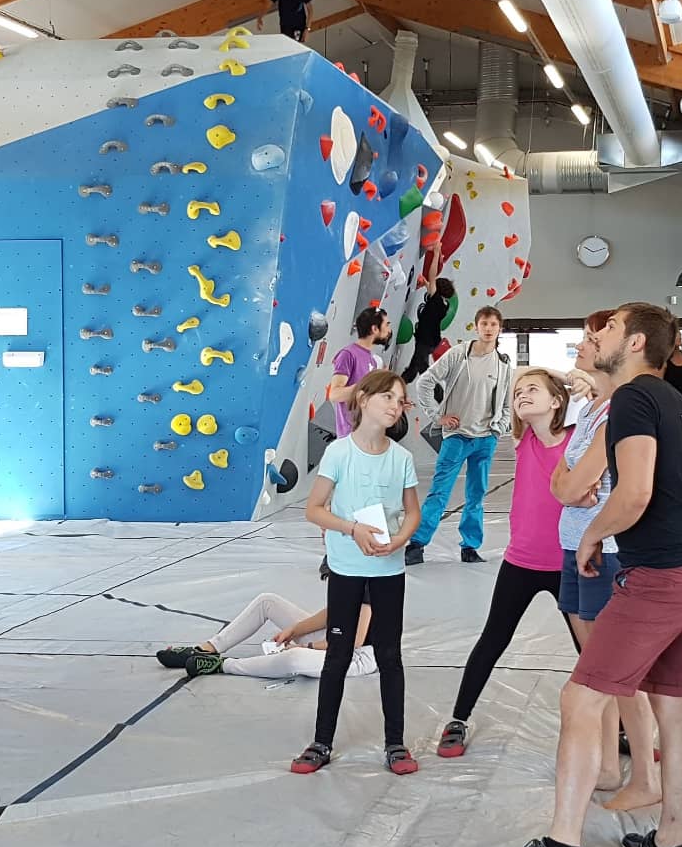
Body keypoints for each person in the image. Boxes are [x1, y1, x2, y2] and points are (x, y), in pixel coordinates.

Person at [483, 303, 682, 847]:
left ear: (635, 341)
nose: (595, 334)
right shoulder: (678, 403)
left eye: (607, 328)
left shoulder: (636, 398)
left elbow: (633, 493)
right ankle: (670, 841)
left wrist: (591, 534)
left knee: (581, 701)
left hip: (659, 576)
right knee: (673, 708)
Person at [549, 312, 659, 806]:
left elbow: (574, 483)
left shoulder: (617, 408)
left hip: (605, 550)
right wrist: (567, 486)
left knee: (610, 670)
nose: (584, 345)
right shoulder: (591, 407)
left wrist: (569, 486)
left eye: (592, 340)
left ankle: (644, 769)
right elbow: (563, 482)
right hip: (575, 543)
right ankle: (611, 764)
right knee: (596, 665)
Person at [438, 370, 574, 757]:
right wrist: (534, 383)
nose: (522, 394)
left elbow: (595, 398)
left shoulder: (578, 440)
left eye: (533, 390)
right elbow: (509, 386)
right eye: (518, 392)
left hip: (567, 564)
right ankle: (458, 718)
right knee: (493, 639)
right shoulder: (523, 438)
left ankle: (619, 725)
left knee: (592, 651)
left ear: (557, 401)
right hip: (521, 563)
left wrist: (565, 379)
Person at [292, 370, 421, 775]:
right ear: (363, 399)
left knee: (389, 654)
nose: (393, 405)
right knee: (339, 655)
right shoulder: (339, 453)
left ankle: (395, 743)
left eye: (400, 400)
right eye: (387, 397)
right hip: (346, 571)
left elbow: (413, 511)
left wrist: (400, 539)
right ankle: (321, 741)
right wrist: (351, 529)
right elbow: (313, 509)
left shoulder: (401, 458)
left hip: (388, 571)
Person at [408, 307, 513, 565]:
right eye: (484, 324)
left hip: (485, 439)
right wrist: (437, 416)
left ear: (500, 329)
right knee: (439, 492)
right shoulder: (458, 354)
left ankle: (470, 546)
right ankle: (418, 544)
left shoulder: (504, 363)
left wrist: (499, 428)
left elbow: (507, 404)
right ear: (476, 327)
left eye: (493, 325)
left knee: (477, 495)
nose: (488, 329)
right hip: (456, 437)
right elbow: (425, 382)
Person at [155, 581, 376, 681]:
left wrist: (306, 646)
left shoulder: (368, 579)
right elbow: (333, 613)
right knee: (267, 601)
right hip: (334, 638)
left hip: (356, 656)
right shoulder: (342, 564)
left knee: (294, 658)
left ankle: (223, 665)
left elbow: (353, 641)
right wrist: (294, 629)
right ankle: (206, 649)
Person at [327, 307, 388, 439]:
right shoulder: (348, 355)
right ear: (374, 329)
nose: (389, 330)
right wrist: (367, 384)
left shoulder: (372, 359)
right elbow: (334, 394)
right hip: (350, 439)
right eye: (386, 325)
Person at [404, 278, 455, 383]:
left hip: (426, 340)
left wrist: (435, 261)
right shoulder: (443, 304)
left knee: (418, 367)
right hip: (431, 340)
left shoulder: (436, 300)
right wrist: (426, 283)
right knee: (419, 366)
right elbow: (431, 289)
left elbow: (432, 275)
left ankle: (437, 392)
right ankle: (402, 380)